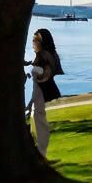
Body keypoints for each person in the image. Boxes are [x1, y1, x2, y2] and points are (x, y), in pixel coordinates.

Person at [27, 28, 63, 156]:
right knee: (38, 125)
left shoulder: (45, 55)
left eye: (36, 40)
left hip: (44, 95)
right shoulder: (44, 55)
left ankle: (42, 155)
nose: (33, 42)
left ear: (43, 42)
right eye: (33, 39)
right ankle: (41, 154)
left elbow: (46, 74)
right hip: (41, 96)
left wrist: (33, 70)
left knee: (40, 126)